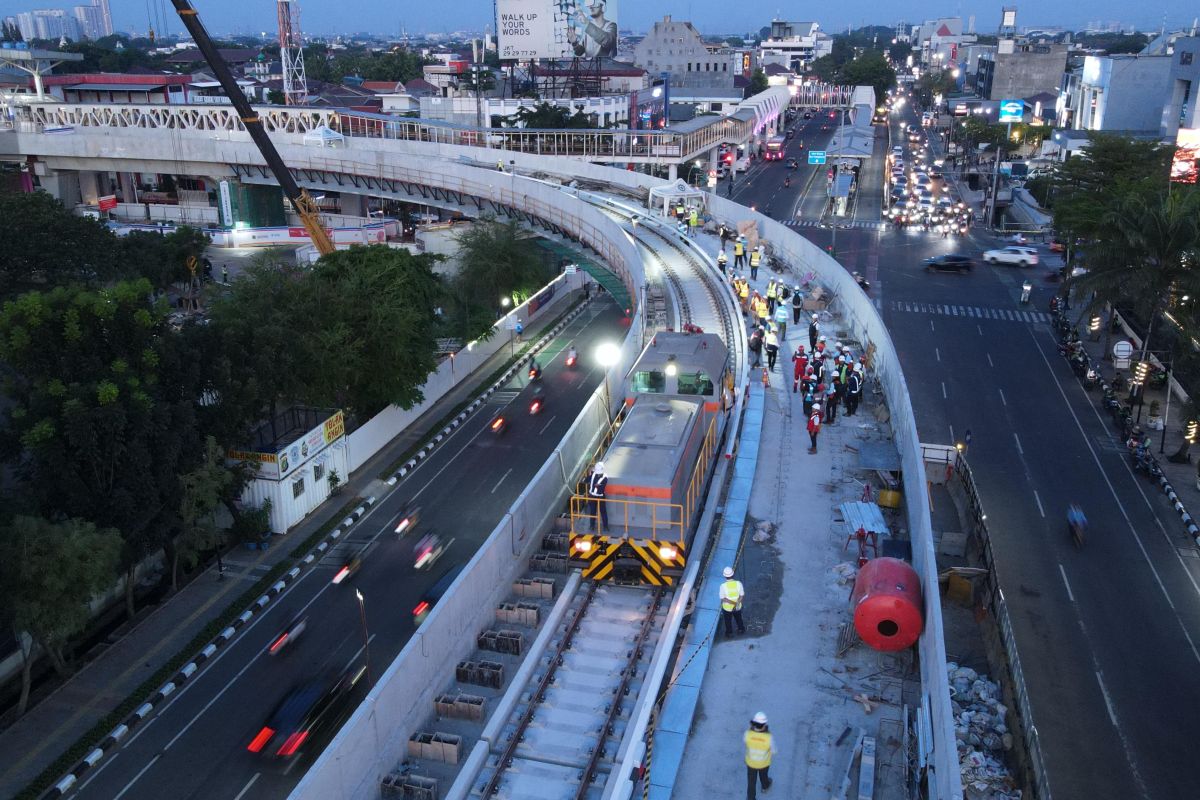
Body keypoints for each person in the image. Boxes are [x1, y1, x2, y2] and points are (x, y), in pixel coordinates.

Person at [744, 712, 777, 800]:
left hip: (751, 763)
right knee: (763, 776)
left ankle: (751, 798)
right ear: (764, 724)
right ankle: (765, 786)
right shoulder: (768, 737)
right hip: (764, 763)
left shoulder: (748, 734)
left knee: (751, 782)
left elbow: (746, 742)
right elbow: (774, 751)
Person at [719, 566, 746, 636]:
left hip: (727, 608)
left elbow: (723, 598)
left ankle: (729, 633)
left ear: (725, 576)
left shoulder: (723, 586)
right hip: (737, 607)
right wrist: (736, 603)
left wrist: (732, 603)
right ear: (733, 574)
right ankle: (741, 629)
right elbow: (741, 595)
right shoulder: (738, 583)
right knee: (738, 618)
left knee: (727, 621)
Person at [587, 462, 610, 532]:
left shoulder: (605, 477)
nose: (598, 473)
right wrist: (596, 485)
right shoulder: (594, 474)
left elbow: (601, 489)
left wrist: (595, 485)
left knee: (603, 511)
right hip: (592, 496)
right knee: (592, 511)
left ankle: (605, 526)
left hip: (600, 497)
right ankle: (592, 526)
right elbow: (587, 480)